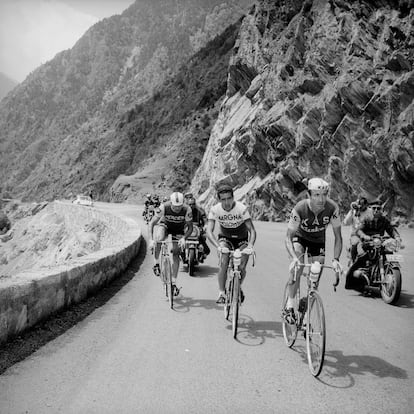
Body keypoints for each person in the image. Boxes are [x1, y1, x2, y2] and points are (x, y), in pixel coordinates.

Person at [284, 177, 343, 324]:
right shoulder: (299, 208)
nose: (321, 199)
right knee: (298, 267)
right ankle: (290, 305)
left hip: (318, 241)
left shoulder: (332, 208)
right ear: (309, 195)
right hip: (300, 238)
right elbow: (288, 237)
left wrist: (336, 259)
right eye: (316, 194)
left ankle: (306, 311)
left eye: (324, 194)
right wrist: (294, 259)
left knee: (314, 280)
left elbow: (338, 238)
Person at [206, 183, 256, 304]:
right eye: (223, 199)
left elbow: (252, 231)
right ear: (219, 200)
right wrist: (218, 247)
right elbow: (209, 231)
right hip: (225, 238)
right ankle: (222, 293)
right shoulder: (215, 209)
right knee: (224, 262)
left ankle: (237, 286)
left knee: (242, 267)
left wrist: (250, 246)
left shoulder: (241, 208)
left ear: (233, 197)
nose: (227, 202)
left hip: (242, 239)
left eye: (229, 198)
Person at [345, 200, 402, 290]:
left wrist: (397, 238)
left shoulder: (384, 220)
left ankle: (385, 272)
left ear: (381, 210)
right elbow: (359, 230)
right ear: (371, 209)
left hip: (380, 242)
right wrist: (364, 236)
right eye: (374, 208)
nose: (376, 210)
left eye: (378, 209)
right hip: (368, 242)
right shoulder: (366, 219)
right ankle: (358, 272)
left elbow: (391, 230)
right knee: (362, 256)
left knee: (388, 252)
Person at [149, 192, 193, 295]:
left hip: (178, 230)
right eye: (175, 206)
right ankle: (156, 263)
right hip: (165, 225)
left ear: (183, 204)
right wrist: (151, 240)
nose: (178, 208)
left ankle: (173, 283)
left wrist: (184, 238)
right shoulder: (164, 207)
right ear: (171, 203)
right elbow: (151, 223)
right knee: (159, 238)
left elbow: (190, 227)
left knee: (176, 253)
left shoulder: (187, 209)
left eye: (180, 206)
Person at [343, 196, 373, 262]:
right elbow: (346, 222)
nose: (360, 207)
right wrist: (352, 211)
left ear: (366, 205)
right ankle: (353, 261)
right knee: (355, 244)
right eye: (359, 205)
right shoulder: (353, 211)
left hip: (368, 233)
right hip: (355, 234)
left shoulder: (370, 211)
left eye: (362, 205)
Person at [184, 191, 211, 259]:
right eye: (190, 204)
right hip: (186, 228)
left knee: (203, 238)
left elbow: (204, 218)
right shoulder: (183, 209)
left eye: (192, 204)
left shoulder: (199, 210)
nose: (191, 206)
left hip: (197, 229)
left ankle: (203, 252)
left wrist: (206, 225)